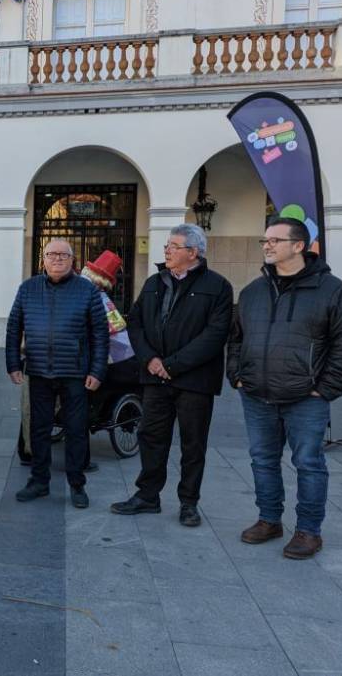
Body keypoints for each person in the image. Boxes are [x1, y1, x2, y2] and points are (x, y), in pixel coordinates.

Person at [228, 217, 342, 559]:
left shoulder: (332, 290)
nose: (267, 245)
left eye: (275, 240)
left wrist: (325, 388)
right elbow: (236, 337)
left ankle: (309, 531)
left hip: (306, 398)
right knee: (262, 460)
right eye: (265, 240)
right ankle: (269, 519)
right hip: (257, 394)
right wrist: (237, 376)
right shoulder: (253, 291)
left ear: (299, 245)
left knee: (308, 463)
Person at [110, 225, 233, 527]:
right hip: (155, 378)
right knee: (151, 437)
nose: (166, 250)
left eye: (174, 246)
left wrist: (173, 364)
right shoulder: (154, 282)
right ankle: (147, 496)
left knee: (193, 444)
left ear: (193, 252)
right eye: (167, 245)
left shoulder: (218, 286)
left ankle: (188, 503)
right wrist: (150, 359)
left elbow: (215, 335)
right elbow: (135, 323)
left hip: (194, 380)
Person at [5, 239, 109, 508]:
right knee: (38, 430)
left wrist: (97, 370)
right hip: (38, 371)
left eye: (64, 255)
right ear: (43, 259)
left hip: (75, 373)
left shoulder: (87, 290)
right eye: (52, 254)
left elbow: (100, 333)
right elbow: (14, 326)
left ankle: (77, 484)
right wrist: (13, 364)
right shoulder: (28, 289)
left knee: (76, 430)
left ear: (72, 260)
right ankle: (39, 481)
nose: (57, 259)